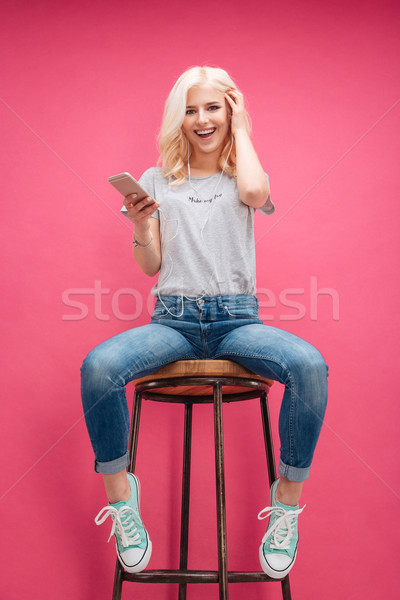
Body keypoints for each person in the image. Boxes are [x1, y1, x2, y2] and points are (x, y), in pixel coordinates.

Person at [81, 65, 329, 579]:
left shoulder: (244, 175)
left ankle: (285, 502)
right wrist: (140, 223)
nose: (201, 119)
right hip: (172, 319)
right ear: (179, 118)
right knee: (99, 366)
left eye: (212, 107)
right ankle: (123, 498)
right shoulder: (156, 180)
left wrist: (241, 129)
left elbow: (258, 196)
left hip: (236, 320)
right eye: (190, 110)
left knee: (309, 365)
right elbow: (150, 265)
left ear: (230, 111)